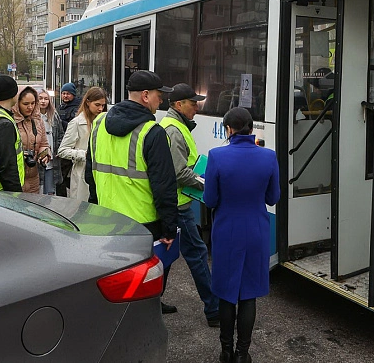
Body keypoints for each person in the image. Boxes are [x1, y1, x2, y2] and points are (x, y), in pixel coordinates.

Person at [85, 70, 178, 313]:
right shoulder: (152, 133)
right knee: (142, 285)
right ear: (146, 96)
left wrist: (95, 205)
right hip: (143, 224)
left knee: (112, 281)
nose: (162, 101)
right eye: (159, 95)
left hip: (105, 218)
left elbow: (90, 173)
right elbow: (164, 187)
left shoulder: (98, 124)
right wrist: (168, 228)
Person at [204, 107, 280, 363]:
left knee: (226, 293)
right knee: (248, 294)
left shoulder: (216, 156)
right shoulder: (269, 157)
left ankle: (226, 351)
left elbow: (210, 199)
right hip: (256, 230)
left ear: (228, 129)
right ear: (251, 128)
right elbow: (273, 197)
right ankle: (242, 354)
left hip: (226, 230)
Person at [160, 83, 220, 327]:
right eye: (192, 103)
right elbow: (178, 172)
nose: (197, 107)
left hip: (172, 202)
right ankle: (214, 310)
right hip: (179, 204)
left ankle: (153, 301)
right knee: (197, 254)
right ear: (178, 105)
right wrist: (206, 184)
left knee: (165, 255)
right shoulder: (174, 129)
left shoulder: (172, 125)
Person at [58, 87, 107, 201]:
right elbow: (62, 150)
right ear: (88, 102)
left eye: (103, 105)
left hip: (100, 173)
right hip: (82, 173)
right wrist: (84, 155)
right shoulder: (76, 123)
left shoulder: (105, 122)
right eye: (97, 105)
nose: (100, 109)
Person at [13, 86, 51, 193]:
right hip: (15, 178)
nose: (30, 107)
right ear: (17, 103)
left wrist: (44, 154)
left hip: (33, 177)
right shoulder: (9, 121)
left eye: (33, 103)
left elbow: (44, 143)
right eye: (26, 104)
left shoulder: (38, 121)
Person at [56, 82, 81, 196]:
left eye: (68, 94)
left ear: (73, 95)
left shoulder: (76, 109)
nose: (65, 96)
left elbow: (73, 127)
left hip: (71, 146)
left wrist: (61, 123)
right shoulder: (62, 106)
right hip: (63, 143)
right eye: (63, 93)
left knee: (62, 175)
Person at [36, 88, 62, 195]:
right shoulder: (33, 117)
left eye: (46, 99)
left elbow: (60, 134)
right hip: (38, 159)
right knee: (40, 188)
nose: (43, 101)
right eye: (40, 98)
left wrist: (58, 150)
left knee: (51, 189)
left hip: (52, 158)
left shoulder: (54, 116)